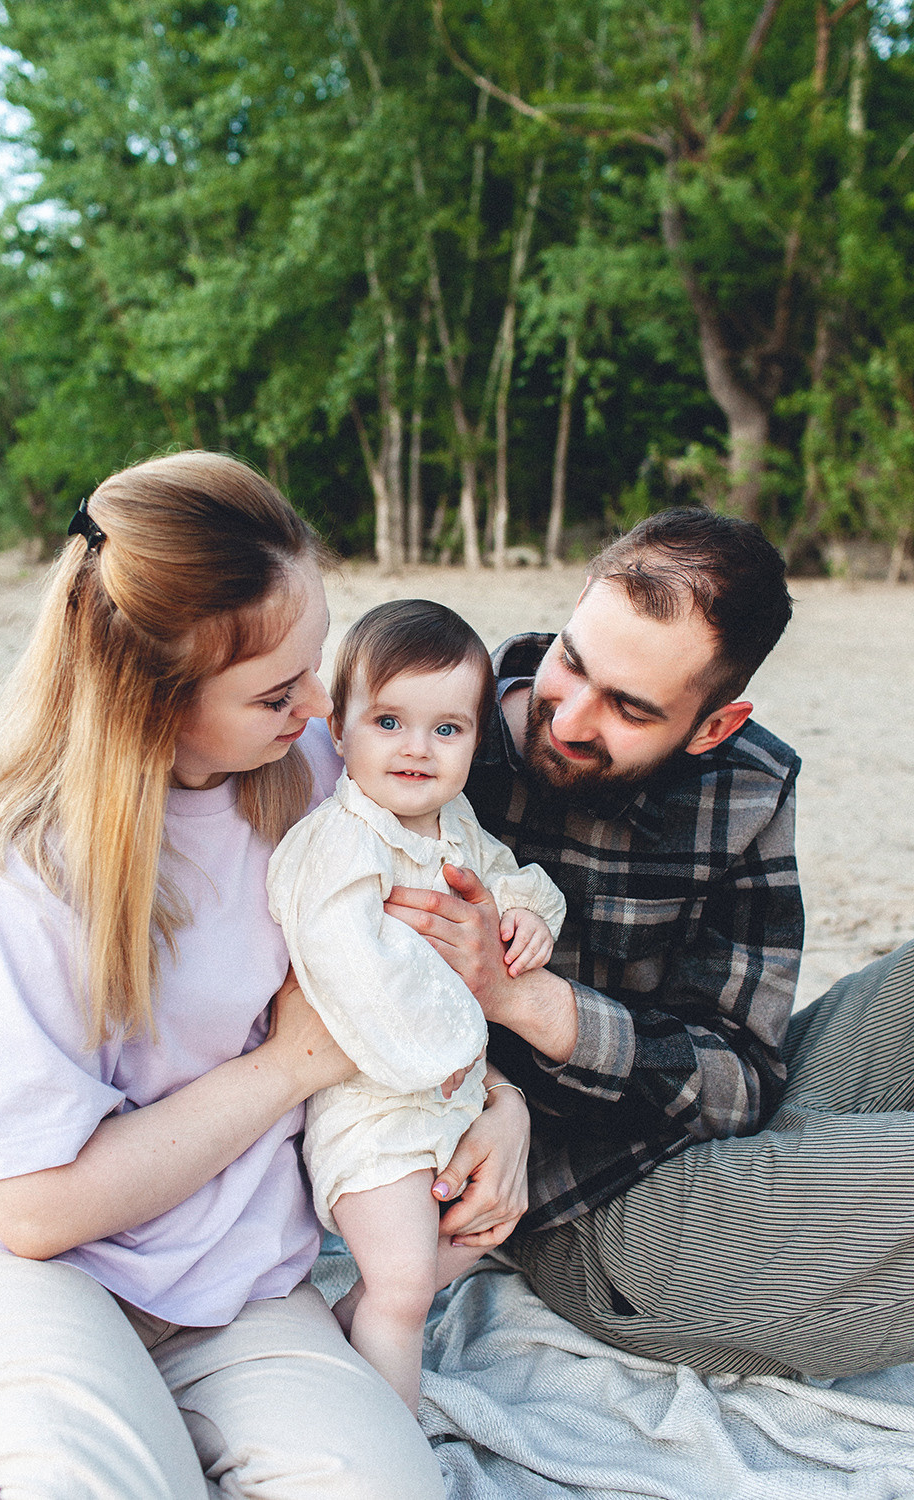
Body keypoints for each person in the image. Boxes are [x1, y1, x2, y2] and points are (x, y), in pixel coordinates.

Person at [0, 452, 529, 1499]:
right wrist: (291, 1063)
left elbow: (415, 974)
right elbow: (32, 1212)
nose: (319, 706)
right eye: (276, 692)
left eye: (317, 664)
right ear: (152, 701)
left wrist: (502, 1104)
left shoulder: (328, 776)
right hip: (35, 1271)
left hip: (241, 1283)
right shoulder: (36, 864)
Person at [386, 507, 913, 1381]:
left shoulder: (743, 785)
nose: (570, 719)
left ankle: (829, 1182)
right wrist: (499, 1095)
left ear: (713, 727)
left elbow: (741, 1080)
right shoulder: (428, 731)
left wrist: (529, 1001)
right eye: (572, 662)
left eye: (629, 708)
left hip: (711, 1127)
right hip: (591, 1215)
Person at [267, 600, 565, 1412]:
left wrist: (527, 916)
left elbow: (506, 878)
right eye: (389, 721)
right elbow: (357, 973)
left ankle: (337, 1348)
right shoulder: (343, 844)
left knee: (473, 1233)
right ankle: (398, 1440)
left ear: (476, 739)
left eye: (447, 729)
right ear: (340, 729)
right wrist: (461, 1047)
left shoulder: (454, 823)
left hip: (447, 1099)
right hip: (373, 1111)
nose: (416, 749)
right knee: (403, 1287)